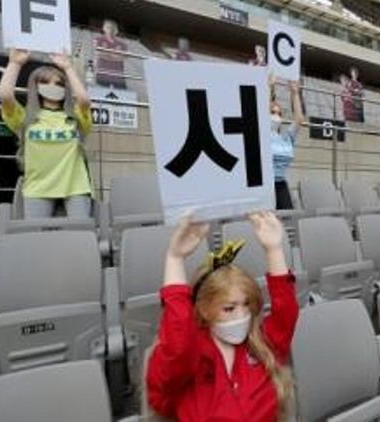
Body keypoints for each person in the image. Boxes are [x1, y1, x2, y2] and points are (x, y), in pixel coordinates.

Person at [147, 212, 298, 421]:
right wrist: (175, 259)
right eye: (229, 308)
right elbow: (178, 340)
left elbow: (285, 313)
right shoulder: (187, 356)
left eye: (246, 305)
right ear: (203, 309)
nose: (242, 315)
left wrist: (274, 249)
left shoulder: (260, 344)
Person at [0, 49, 93, 219]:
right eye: (45, 82)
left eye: (59, 83)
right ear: (36, 86)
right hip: (37, 187)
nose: (53, 87)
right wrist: (15, 63)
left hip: (76, 186)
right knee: (36, 233)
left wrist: (68, 68)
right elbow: (6, 96)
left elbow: (84, 100)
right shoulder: (26, 118)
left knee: (82, 231)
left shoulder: (75, 118)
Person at [269, 76, 305, 210]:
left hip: (281, 183)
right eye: (272, 112)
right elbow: (259, 112)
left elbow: (299, 119)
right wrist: (269, 87)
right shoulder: (261, 134)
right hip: (264, 184)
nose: (276, 116)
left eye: (279, 114)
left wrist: (295, 93)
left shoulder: (286, 137)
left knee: (288, 218)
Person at [94, 19, 128, 89]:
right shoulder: (98, 39)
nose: (110, 30)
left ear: (116, 30)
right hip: (103, 76)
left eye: (113, 28)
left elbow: (123, 57)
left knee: (121, 94)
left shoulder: (122, 44)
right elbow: (99, 54)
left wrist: (107, 54)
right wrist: (115, 55)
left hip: (119, 78)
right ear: (103, 28)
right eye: (108, 27)